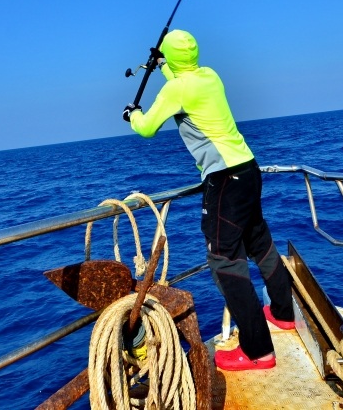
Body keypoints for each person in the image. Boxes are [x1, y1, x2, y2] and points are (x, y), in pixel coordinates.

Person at [123, 29, 295, 372]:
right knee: (259, 244)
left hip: (224, 181)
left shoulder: (176, 89)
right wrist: (165, 65)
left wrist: (132, 114)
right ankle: (283, 313)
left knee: (224, 261)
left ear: (170, 58)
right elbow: (182, 77)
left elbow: (146, 128)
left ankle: (258, 351)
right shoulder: (208, 75)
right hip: (247, 168)